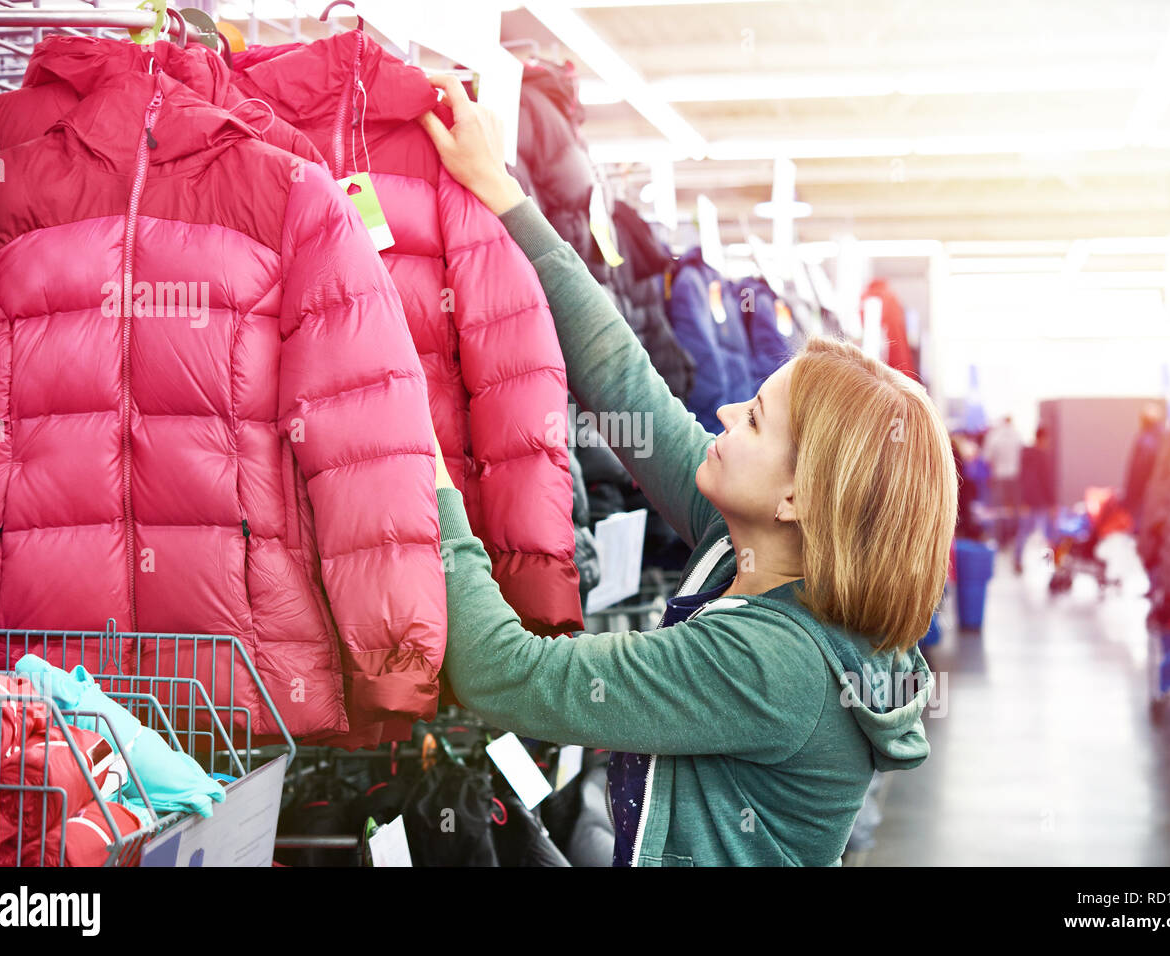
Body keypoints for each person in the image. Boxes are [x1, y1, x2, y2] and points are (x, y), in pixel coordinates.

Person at [417, 75, 958, 867]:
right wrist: (503, 194)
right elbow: (621, 379)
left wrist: (432, 491)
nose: (727, 415)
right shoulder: (753, 554)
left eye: (756, 418)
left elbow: (503, 676)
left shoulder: (769, 664)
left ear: (797, 496)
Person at [1014, 426, 1055, 574]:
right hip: (1041, 502)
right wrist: (1052, 503)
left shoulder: (1026, 455)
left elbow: (1022, 480)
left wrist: (1023, 500)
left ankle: (1017, 561)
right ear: (1043, 439)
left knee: (1023, 533)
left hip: (1028, 501)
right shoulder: (1042, 456)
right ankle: (1048, 563)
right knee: (1046, 535)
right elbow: (1046, 481)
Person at [1122, 403, 1164, 532]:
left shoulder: (1145, 440)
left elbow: (1137, 473)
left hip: (1144, 496)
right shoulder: (1165, 438)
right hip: (1159, 497)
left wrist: (1129, 498)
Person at [982, 415, 1023, 549]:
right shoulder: (1018, 436)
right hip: (1014, 477)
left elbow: (986, 458)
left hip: (999, 476)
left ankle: (1000, 539)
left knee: (999, 510)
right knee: (1012, 510)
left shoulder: (994, 436)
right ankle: (1012, 537)